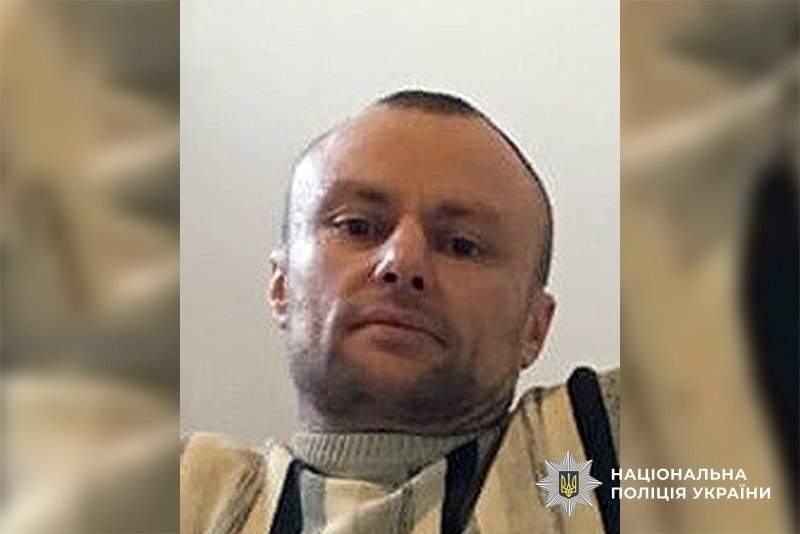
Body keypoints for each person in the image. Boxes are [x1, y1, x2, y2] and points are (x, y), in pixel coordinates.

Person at [181, 90, 619, 533]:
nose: (403, 262)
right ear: (282, 286)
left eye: (462, 245)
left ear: (534, 327)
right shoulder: (187, 490)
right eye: (357, 226)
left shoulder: (587, 463)